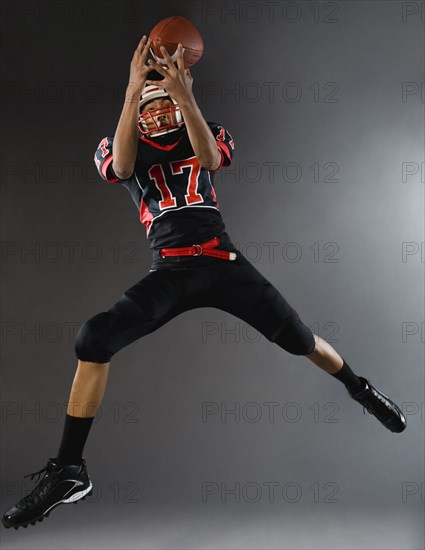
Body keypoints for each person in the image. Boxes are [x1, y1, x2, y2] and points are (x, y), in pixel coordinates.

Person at [2, 36, 406, 531]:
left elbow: (211, 160)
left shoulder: (206, 131)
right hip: (170, 271)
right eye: (146, 105)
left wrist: (185, 96)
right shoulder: (118, 142)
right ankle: (68, 470)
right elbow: (124, 167)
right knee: (93, 339)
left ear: (181, 101)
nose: (156, 113)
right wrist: (133, 91)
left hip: (222, 264)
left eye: (164, 102)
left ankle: (360, 389)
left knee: (300, 339)